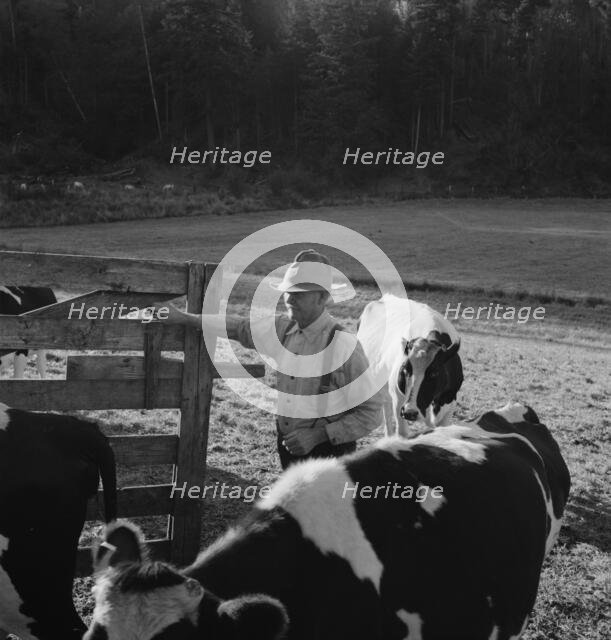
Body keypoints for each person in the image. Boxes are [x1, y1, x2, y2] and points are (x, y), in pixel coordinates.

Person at [158, 249, 383, 469]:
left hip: (329, 457)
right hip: (288, 447)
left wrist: (318, 435)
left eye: (299, 293)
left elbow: (371, 412)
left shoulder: (343, 345)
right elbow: (238, 327)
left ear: (322, 298)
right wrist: (184, 318)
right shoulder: (282, 329)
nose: (290, 299)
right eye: (288, 292)